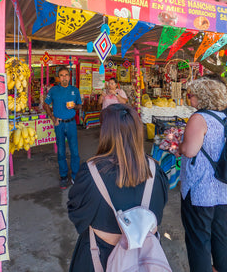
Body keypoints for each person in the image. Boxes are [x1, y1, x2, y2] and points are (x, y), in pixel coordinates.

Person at [67, 103, 169, 271]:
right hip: (144, 260)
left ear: (105, 133)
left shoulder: (91, 173)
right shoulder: (155, 170)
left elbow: (78, 216)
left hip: (99, 258)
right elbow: (156, 213)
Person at [177, 76, 227, 272]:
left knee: (198, 238)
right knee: (221, 232)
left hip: (202, 189)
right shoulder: (225, 117)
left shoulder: (199, 118)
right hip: (223, 187)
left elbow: (190, 151)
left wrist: (178, 146)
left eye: (192, 95)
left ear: (202, 97)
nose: (189, 98)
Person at [43, 66, 82, 189]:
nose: (64, 77)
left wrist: (75, 106)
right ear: (58, 78)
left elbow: (80, 106)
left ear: (69, 77)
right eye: (61, 75)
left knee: (74, 151)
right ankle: (64, 176)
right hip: (59, 124)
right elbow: (45, 104)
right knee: (61, 151)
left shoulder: (75, 90)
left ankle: (75, 176)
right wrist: (53, 118)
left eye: (66, 75)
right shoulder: (54, 90)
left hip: (71, 124)